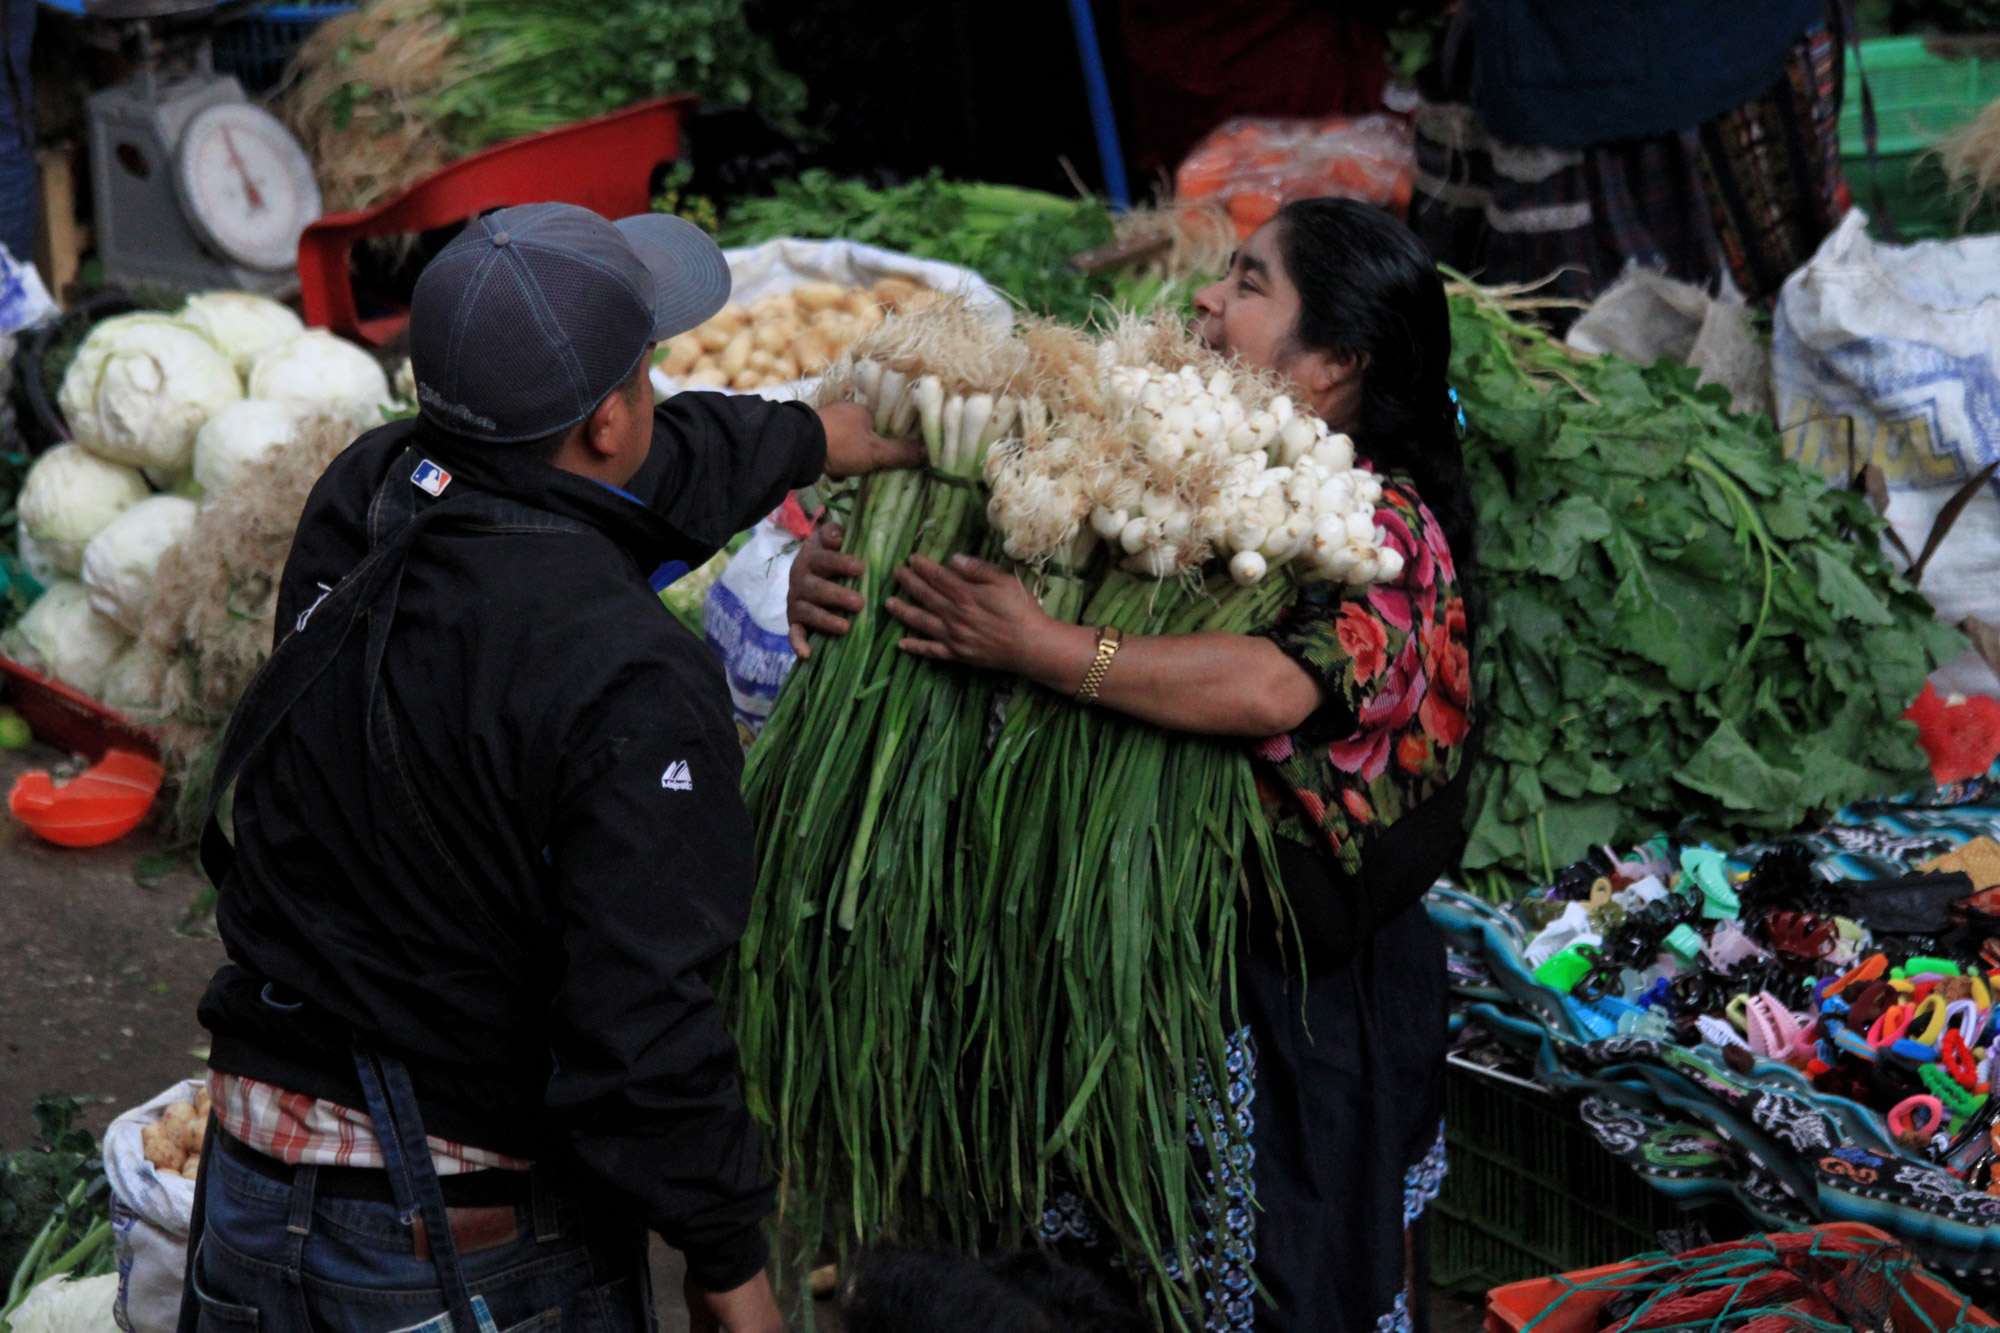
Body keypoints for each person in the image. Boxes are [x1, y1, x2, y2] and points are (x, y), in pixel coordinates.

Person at [182, 203, 919, 1333]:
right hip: (454, 1241)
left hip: (245, 1181)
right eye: (644, 375)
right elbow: (643, 1033)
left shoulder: (368, 493)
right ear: (613, 418)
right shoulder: (628, 677)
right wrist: (732, 1277)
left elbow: (635, 475)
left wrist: (813, 436)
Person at [787, 197, 1475, 1333]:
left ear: (1336, 362)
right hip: (1100, 964)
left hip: (1275, 989)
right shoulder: (1164, 455)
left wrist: (1048, 648)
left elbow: (1275, 684)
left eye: (1250, 285)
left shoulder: (1380, 521)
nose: (1206, 296)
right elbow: (966, 588)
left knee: (1266, 1290)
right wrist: (844, 573)